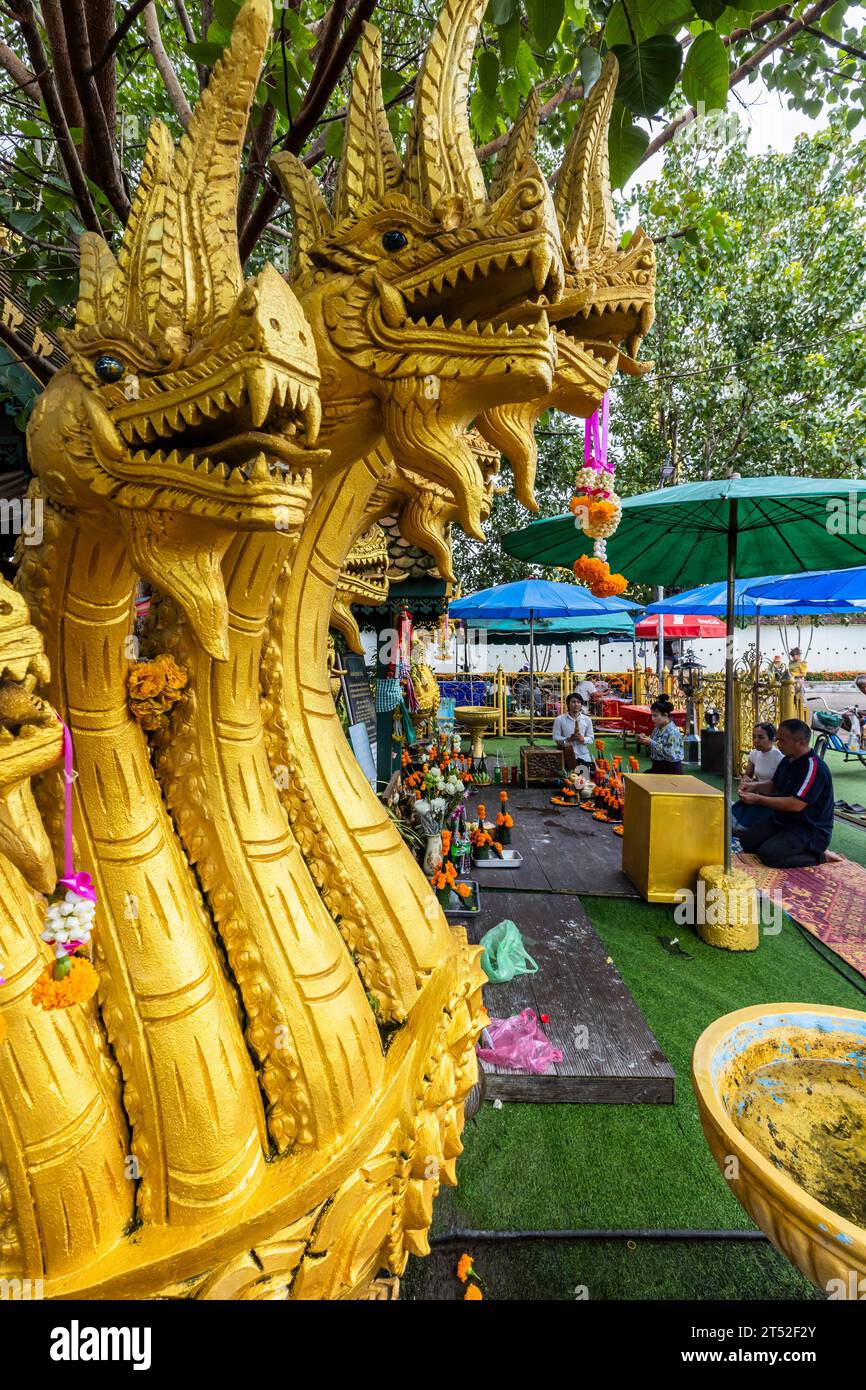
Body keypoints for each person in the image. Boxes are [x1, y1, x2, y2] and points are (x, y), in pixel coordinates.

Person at [737, 718, 841, 868]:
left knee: (769, 855)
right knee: (747, 841)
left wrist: (757, 799)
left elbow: (795, 804)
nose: (778, 743)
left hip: (809, 828)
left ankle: (819, 855)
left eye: (782, 740)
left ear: (801, 742)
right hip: (784, 820)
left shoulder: (813, 767)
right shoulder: (788, 759)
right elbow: (774, 785)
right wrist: (755, 786)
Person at [732, 723, 784, 833]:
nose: (755, 741)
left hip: (769, 801)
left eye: (761, 737)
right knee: (729, 821)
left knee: (742, 828)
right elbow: (748, 774)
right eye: (753, 737)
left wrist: (754, 789)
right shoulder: (754, 754)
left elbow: (777, 786)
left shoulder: (779, 758)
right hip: (755, 796)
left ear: (773, 739)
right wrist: (745, 782)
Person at [637, 696, 685, 773]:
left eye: (655, 715)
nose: (652, 719)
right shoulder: (657, 728)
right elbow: (655, 746)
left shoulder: (672, 732)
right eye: (652, 715)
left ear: (665, 715)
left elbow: (671, 755)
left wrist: (651, 742)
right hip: (657, 767)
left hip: (670, 771)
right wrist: (644, 740)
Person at [552, 691, 594, 772]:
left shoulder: (587, 720)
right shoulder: (560, 719)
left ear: (581, 704)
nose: (576, 704)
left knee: (585, 779)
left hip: (583, 755)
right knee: (568, 779)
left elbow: (591, 738)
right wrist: (568, 739)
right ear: (568, 704)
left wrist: (583, 739)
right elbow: (555, 737)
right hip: (566, 755)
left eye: (578, 702)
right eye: (573, 702)